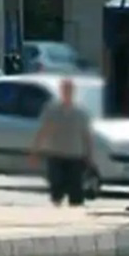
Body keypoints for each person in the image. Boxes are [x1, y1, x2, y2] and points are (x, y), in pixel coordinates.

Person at [31, 77, 94, 207]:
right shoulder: (52, 110)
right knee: (56, 188)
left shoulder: (80, 112)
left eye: (70, 89)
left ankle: (75, 216)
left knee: (76, 191)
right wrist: (35, 151)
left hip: (75, 156)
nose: (67, 92)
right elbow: (43, 131)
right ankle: (56, 210)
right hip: (56, 154)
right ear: (60, 91)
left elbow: (86, 135)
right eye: (65, 89)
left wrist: (89, 155)